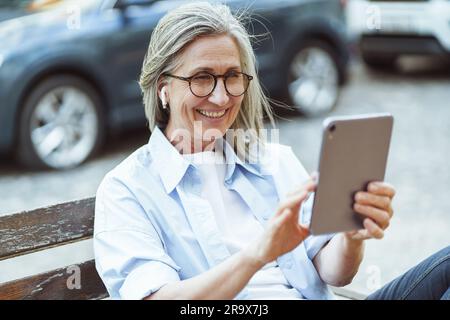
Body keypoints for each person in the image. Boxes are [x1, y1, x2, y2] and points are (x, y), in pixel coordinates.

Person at [93, 2, 449, 300]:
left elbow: (334, 273)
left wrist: (351, 234)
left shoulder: (272, 160)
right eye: (201, 78)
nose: (220, 97)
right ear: (163, 88)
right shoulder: (127, 189)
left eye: (232, 76)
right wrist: (259, 253)